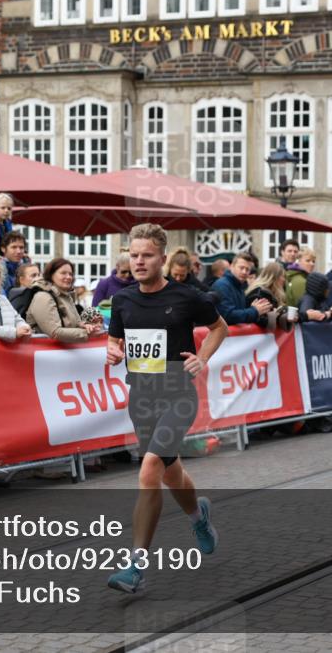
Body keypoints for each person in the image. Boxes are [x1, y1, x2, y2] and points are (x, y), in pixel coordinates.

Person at [105, 223, 228, 594]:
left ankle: (135, 566)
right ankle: (198, 515)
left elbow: (219, 327)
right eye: (134, 255)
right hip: (142, 398)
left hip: (178, 396)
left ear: (162, 257)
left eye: (147, 255)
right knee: (170, 472)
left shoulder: (187, 296)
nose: (139, 261)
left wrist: (202, 357)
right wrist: (113, 351)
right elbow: (114, 340)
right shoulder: (123, 300)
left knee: (149, 471)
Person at [26, 258, 102, 343]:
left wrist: (85, 326)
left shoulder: (66, 296)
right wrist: (86, 334)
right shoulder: (43, 297)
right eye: (63, 273)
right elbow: (54, 332)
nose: (68, 277)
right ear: (51, 275)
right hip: (43, 349)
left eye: (70, 274)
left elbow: (76, 323)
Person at [211, 253, 272, 325]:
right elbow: (228, 316)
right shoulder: (222, 285)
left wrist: (253, 309)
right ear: (231, 267)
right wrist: (254, 311)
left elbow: (239, 312)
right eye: (241, 268)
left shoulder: (239, 286)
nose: (244, 272)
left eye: (247, 269)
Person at [246, 262, 293, 331]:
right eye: (282, 276)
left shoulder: (272, 293)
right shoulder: (260, 293)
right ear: (274, 277)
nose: (284, 280)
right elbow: (259, 319)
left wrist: (284, 315)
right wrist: (273, 315)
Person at [0, 231, 30, 295]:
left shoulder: (27, 266)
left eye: (21, 247)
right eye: (14, 247)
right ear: (3, 249)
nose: (18, 251)